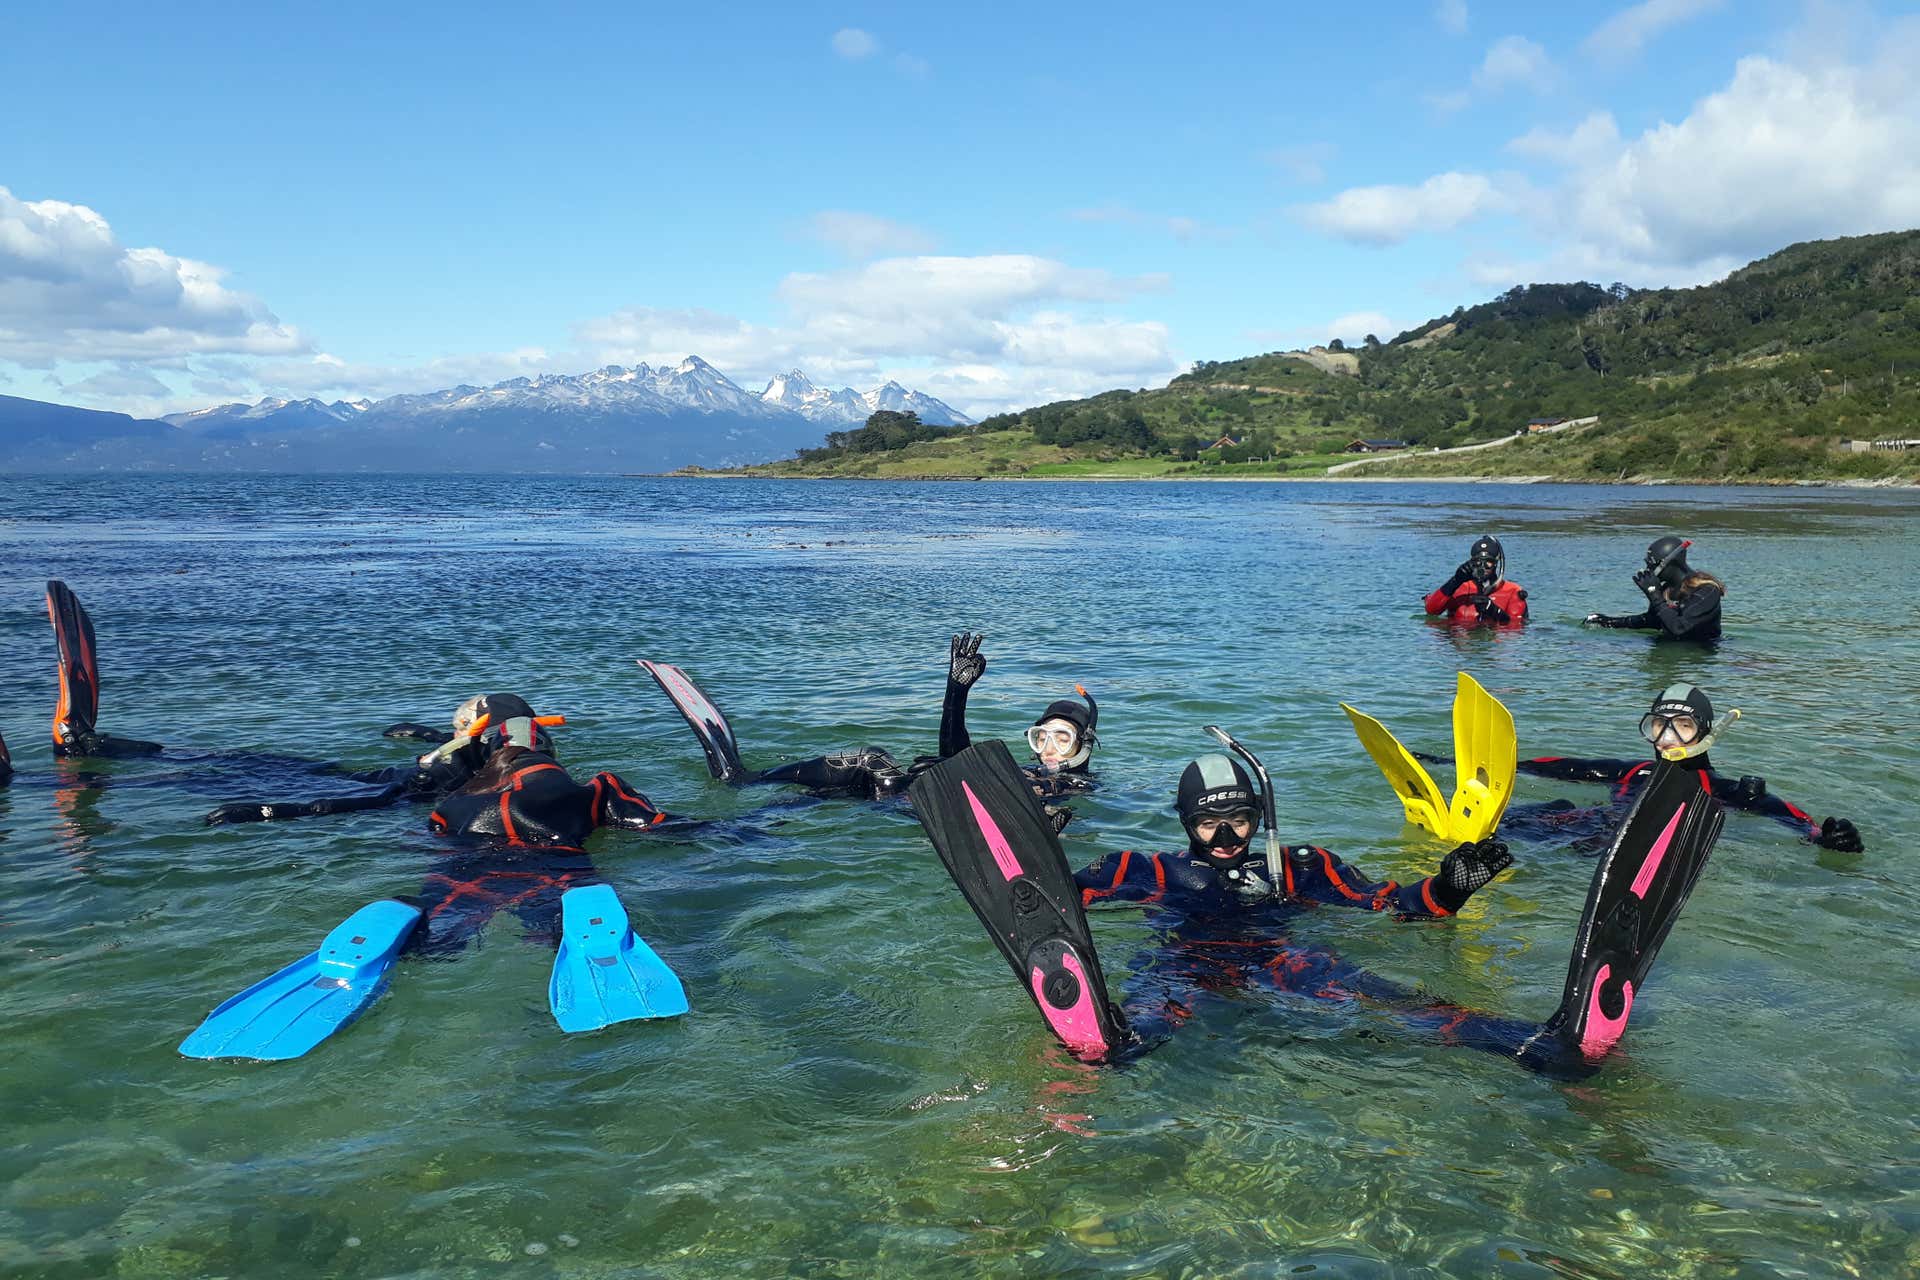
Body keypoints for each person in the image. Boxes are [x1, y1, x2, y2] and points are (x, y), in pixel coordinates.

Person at [909, 737, 1724, 1079]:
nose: (1224, 834)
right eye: (1207, 821)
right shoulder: (1144, 868)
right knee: (1150, 1028)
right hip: (1184, 963)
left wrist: (1454, 884)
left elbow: (1399, 908)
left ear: (1256, 818)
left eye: (1237, 819)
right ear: (1186, 822)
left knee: (1412, 1010)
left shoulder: (1303, 867)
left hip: (1291, 962)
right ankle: (1100, 1035)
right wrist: (1044, 851)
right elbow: (1054, 901)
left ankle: (1556, 1045)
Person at [639, 631, 1098, 805]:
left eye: (1063, 739)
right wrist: (955, 691)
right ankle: (750, 786)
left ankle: (741, 786)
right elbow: (961, 766)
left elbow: (963, 777)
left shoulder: (1078, 787)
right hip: (899, 796)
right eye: (1042, 736)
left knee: (871, 760)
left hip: (906, 805)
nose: (1050, 748)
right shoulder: (1018, 765)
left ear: (1084, 747)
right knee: (857, 770)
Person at [1510, 683, 1864, 853]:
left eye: (1682, 726)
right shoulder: (1635, 773)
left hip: (1650, 847)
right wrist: (1497, 764)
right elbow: (1564, 768)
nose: (1666, 738)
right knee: (1549, 813)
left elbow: (1791, 818)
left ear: (1705, 732)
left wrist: (1826, 838)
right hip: (1592, 831)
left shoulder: (1724, 790)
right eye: (1657, 725)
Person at [1584, 536, 1723, 641]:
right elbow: (1653, 621)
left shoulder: (1707, 590)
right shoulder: (1666, 590)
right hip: (1669, 650)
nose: (1649, 569)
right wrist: (1610, 622)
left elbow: (1679, 627)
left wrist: (1653, 593)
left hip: (1698, 659)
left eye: (1652, 565)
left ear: (1671, 563)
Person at [1424, 535, 1528, 627]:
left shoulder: (1512, 592)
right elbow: (1431, 611)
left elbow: (1516, 628)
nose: (1483, 567)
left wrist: (1494, 611)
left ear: (1496, 563)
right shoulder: (1460, 589)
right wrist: (1455, 580)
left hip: (1494, 646)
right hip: (1460, 643)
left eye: (1488, 562)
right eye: (1477, 562)